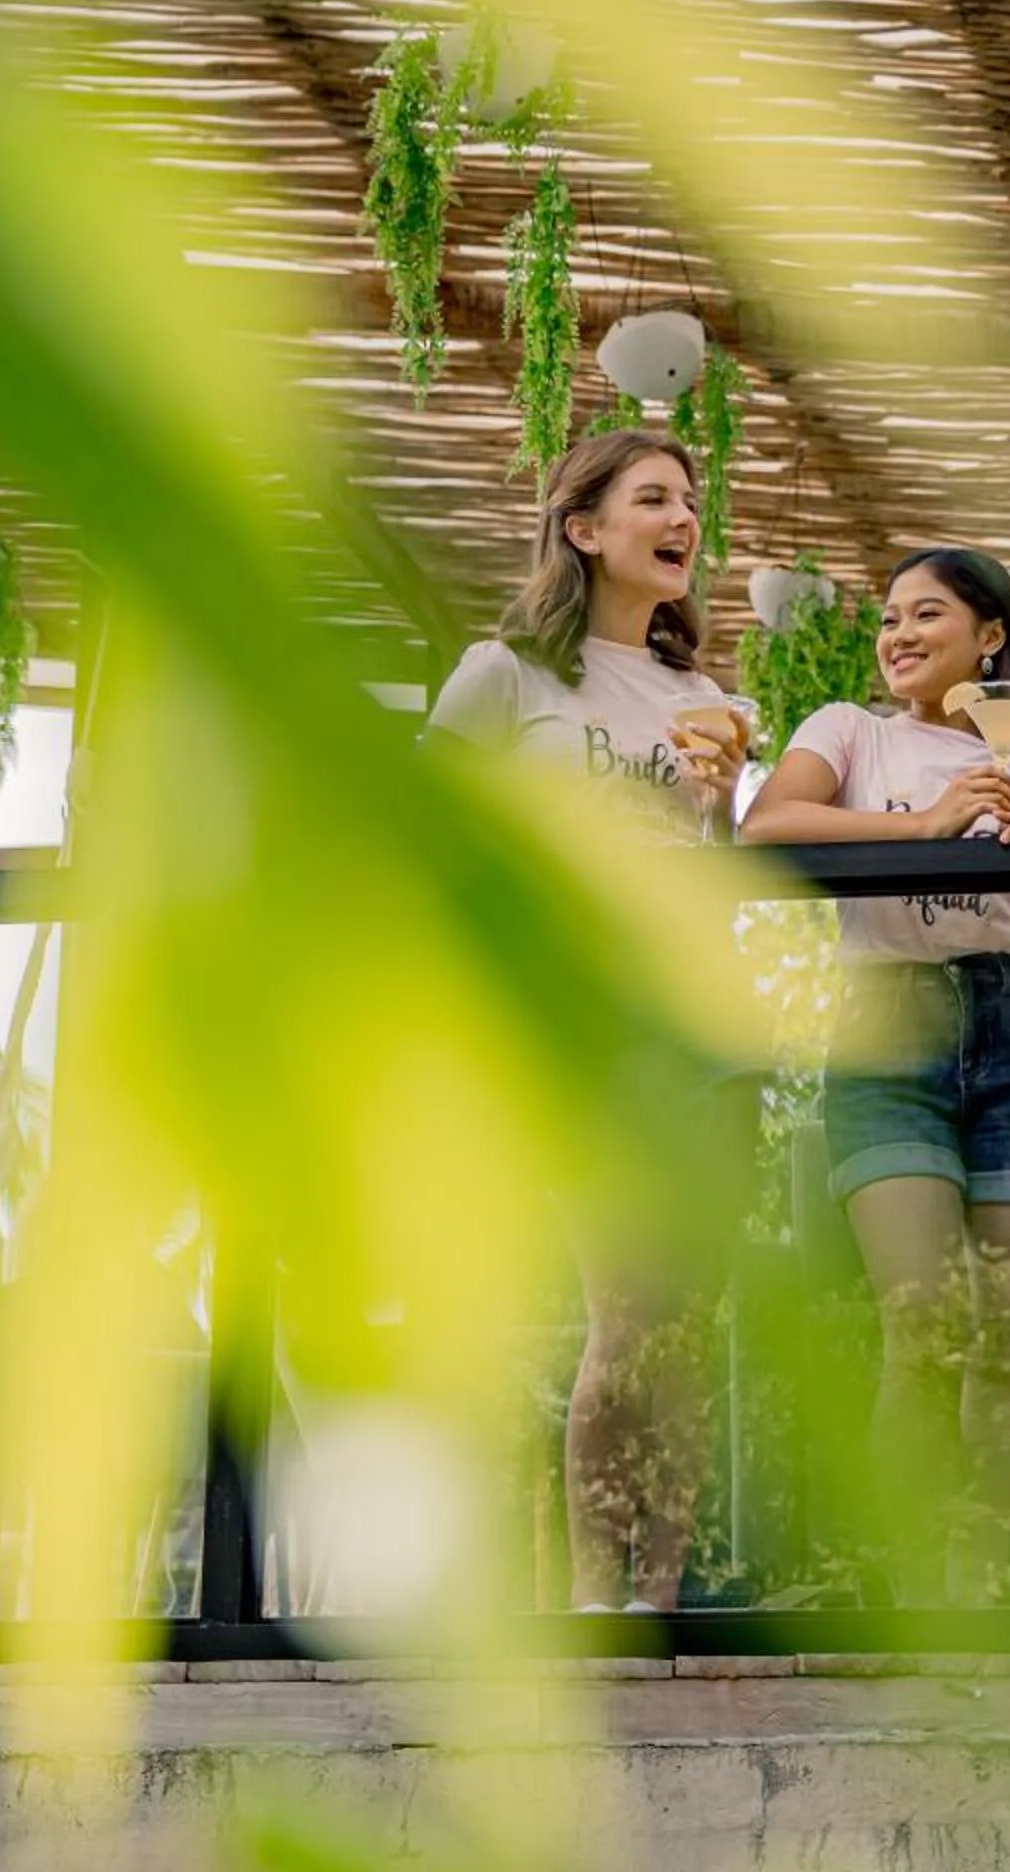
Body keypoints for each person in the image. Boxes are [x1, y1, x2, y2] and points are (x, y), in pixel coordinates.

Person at [424, 427, 750, 1613]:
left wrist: (711, 810)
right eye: (654, 498)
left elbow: (708, 869)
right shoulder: (504, 674)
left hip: (697, 1025)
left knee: (685, 1321)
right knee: (625, 1309)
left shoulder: (705, 696)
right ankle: (588, 1590)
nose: (683, 520)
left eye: (692, 502)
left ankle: (660, 1590)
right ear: (583, 527)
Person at [740, 547, 1010, 1602]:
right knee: (920, 1321)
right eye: (889, 616)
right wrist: (922, 827)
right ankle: (906, 1583)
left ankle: (985, 1585)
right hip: (886, 1026)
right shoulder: (849, 730)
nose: (897, 633)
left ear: (990, 640)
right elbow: (768, 827)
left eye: (928, 614)